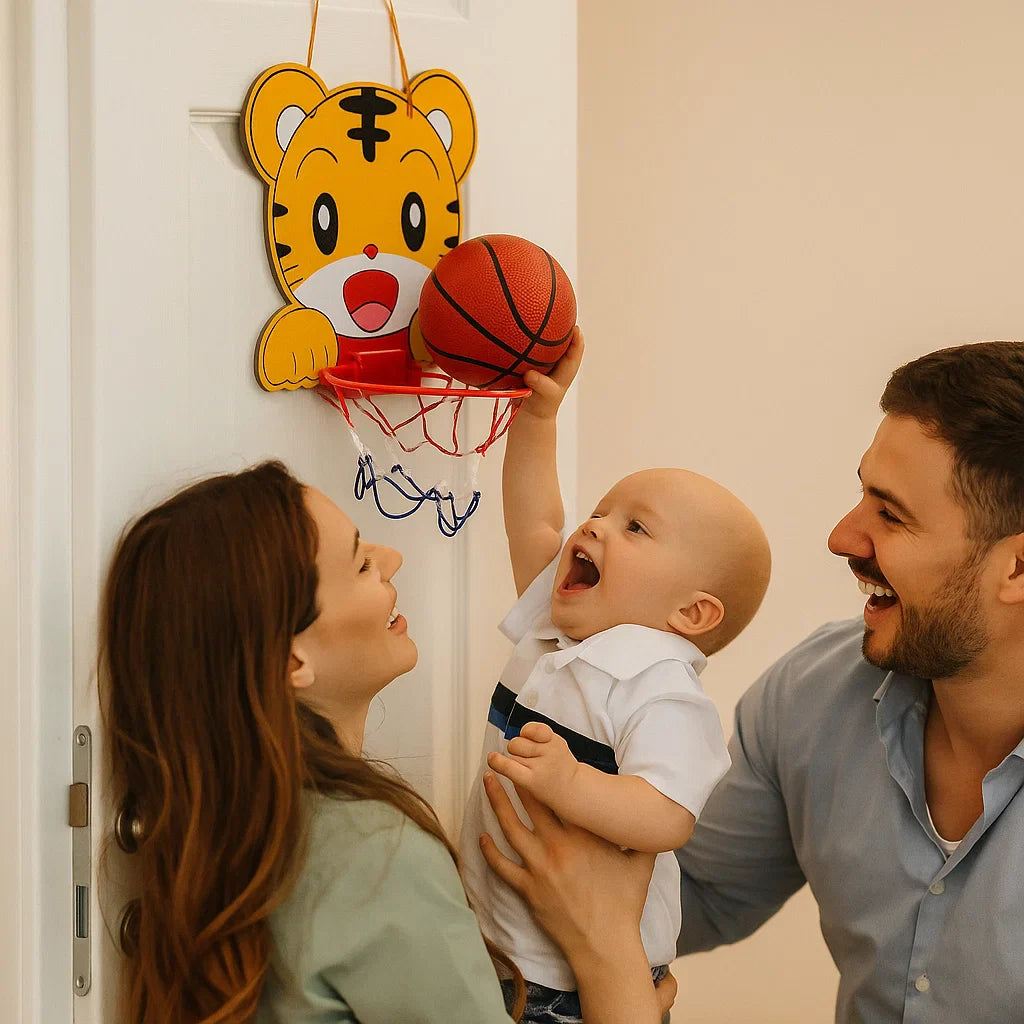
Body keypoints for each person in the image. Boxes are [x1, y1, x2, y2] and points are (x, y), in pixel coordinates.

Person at [99, 461, 677, 1024]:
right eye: (359, 563)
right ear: (292, 659)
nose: (393, 558)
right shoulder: (373, 856)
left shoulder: (226, 835)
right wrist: (617, 974)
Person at [674, 340, 1024, 1022]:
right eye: (862, 493)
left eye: (890, 515)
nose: (842, 536)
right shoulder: (813, 693)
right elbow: (698, 896)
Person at [459, 329, 772, 1023]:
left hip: (566, 982)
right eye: (601, 511)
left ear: (691, 612)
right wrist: (538, 420)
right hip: (496, 941)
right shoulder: (561, 628)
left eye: (636, 529)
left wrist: (572, 782)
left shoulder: (660, 689)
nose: (593, 527)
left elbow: (666, 815)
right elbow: (538, 524)